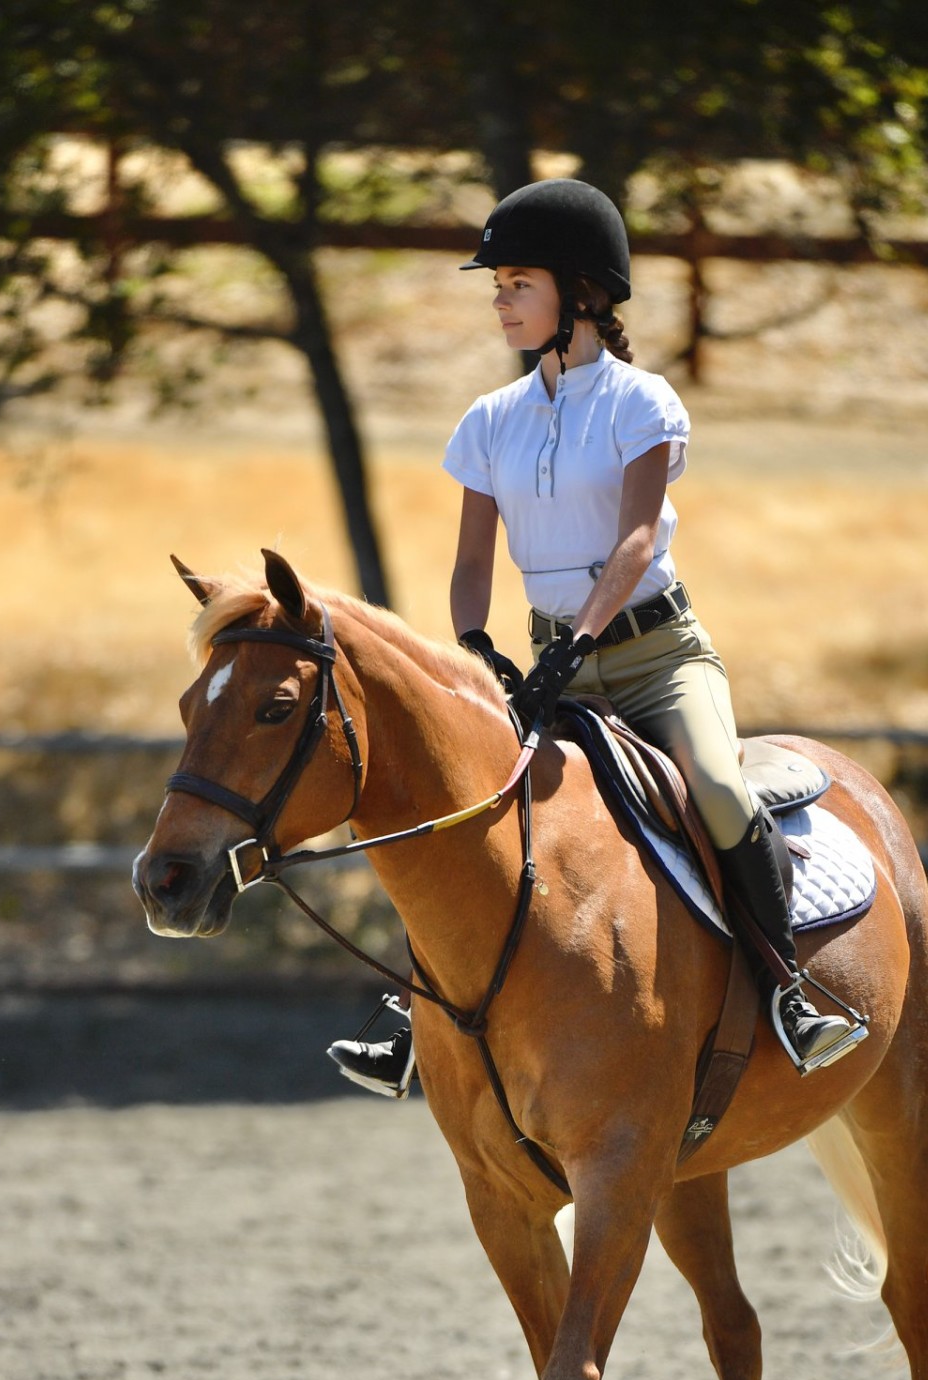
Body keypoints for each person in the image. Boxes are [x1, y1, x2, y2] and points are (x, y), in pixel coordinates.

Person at [329, 178, 865, 1098]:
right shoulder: (488, 420)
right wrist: (478, 646)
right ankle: (407, 1018)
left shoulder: (641, 403)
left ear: (579, 290)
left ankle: (792, 990)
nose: (499, 299)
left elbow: (638, 539)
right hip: (544, 667)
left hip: (657, 658)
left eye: (516, 282)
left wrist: (577, 643)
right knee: (472, 812)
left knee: (719, 789)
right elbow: (470, 561)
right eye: (496, 284)